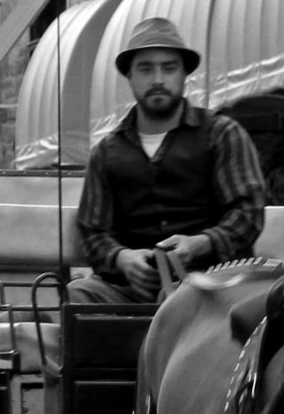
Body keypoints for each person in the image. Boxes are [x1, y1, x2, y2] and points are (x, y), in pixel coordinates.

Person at [70, 16, 268, 303]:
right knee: (79, 294)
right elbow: (91, 232)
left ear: (184, 75)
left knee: (182, 298)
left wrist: (200, 244)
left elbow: (248, 213)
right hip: (129, 291)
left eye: (168, 68)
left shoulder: (223, 135)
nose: (158, 80)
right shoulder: (106, 153)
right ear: (130, 77)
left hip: (210, 286)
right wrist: (123, 258)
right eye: (146, 69)